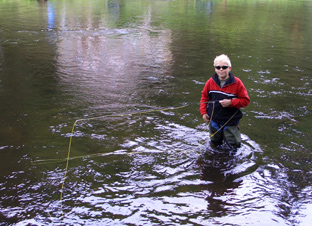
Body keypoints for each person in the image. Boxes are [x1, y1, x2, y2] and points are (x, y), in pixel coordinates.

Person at [200, 54, 250, 151]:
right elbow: (204, 98)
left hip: (231, 122)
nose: (221, 69)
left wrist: (231, 102)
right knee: (215, 143)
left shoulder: (237, 82)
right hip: (214, 119)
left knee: (234, 146)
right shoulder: (210, 82)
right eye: (218, 67)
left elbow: (245, 101)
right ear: (215, 69)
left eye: (224, 67)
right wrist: (203, 112)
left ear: (229, 68)